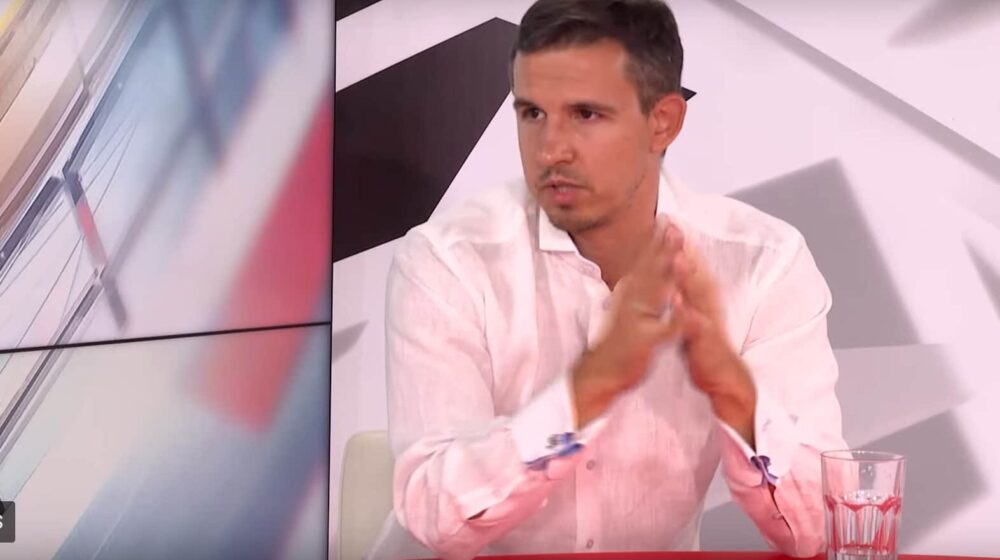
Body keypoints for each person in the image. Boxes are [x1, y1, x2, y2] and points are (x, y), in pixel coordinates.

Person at [369, 1, 846, 558]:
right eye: (532, 113)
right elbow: (435, 515)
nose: (551, 149)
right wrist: (588, 388)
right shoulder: (449, 261)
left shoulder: (762, 263)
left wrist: (732, 388)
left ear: (663, 122)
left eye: (586, 114)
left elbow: (818, 529)